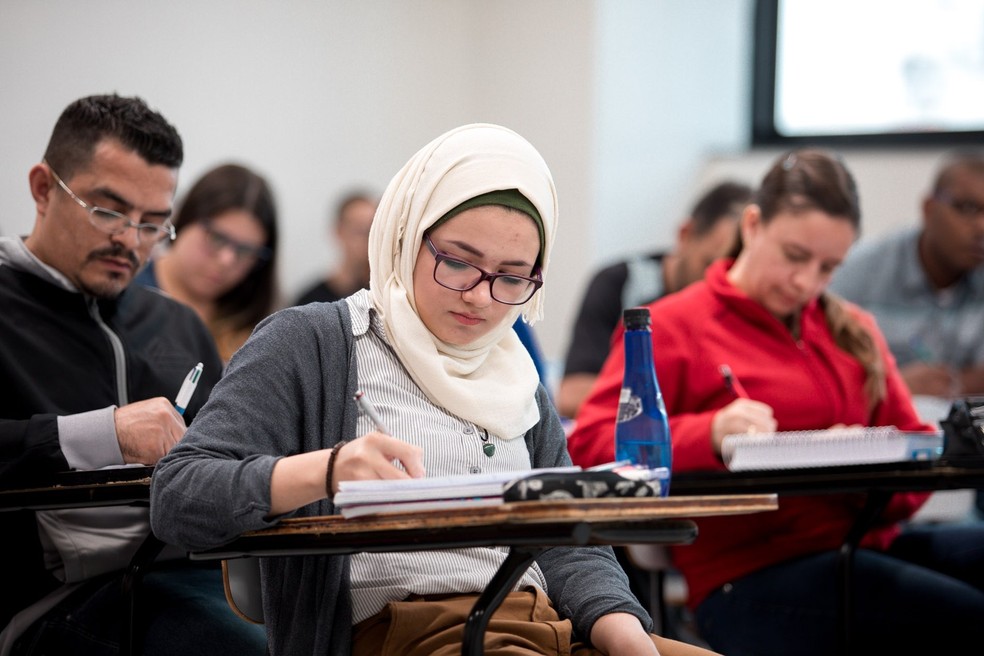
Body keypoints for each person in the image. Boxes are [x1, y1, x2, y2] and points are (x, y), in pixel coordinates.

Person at [150, 123, 720, 656]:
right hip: (418, 630)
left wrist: (629, 638)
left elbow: (570, 540)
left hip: (548, 627)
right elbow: (177, 496)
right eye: (457, 262)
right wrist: (325, 472)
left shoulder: (513, 375)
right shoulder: (316, 342)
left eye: (512, 276)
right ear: (405, 235)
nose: (480, 296)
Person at [567, 148, 984, 655]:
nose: (806, 282)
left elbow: (916, 450)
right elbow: (589, 446)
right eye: (794, 256)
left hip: (864, 542)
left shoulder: (851, 328)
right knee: (964, 619)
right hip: (751, 574)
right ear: (753, 224)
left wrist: (861, 464)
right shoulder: (674, 324)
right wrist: (711, 433)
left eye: (828, 267)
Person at [0, 95, 265, 654]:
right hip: (50, 600)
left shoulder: (175, 324)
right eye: (108, 211)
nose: (130, 240)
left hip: (194, 577)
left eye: (153, 223)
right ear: (44, 188)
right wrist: (104, 434)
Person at [557, 181, 752, 418]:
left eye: (732, 270)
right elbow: (572, 395)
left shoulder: (743, 304)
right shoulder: (619, 284)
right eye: (709, 264)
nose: (718, 279)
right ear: (685, 235)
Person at [829, 151, 984, 400]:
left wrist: (957, 384)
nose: (981, 227)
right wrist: (893, 383)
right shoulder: (855, 273)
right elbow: (818, 374)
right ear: (929, 208)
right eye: (968, 208)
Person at [135, 163, 280, 364]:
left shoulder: (256, 328)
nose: (226, 260)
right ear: (184, 218)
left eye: (245, 251)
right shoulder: (126, 293)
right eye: (217, 238)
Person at [293, 189, 377, 305]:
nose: (369, 240)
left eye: (375, 232)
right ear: (339, 231)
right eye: (361, 230)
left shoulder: (384, 298)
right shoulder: (309, 301)